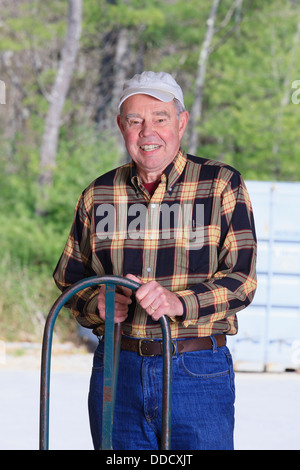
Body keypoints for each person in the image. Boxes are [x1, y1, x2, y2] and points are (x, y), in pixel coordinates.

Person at [53, 71, 257, 450]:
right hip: (117, 369)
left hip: (195, 370)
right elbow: (69, 279)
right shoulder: (97, 194)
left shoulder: (220, 184)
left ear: (181, 122)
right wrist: (94, 303)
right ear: (121, 127)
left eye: (160, 118)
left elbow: (242, 280)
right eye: (135, 121)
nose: (148, 131)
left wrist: (180, 302)